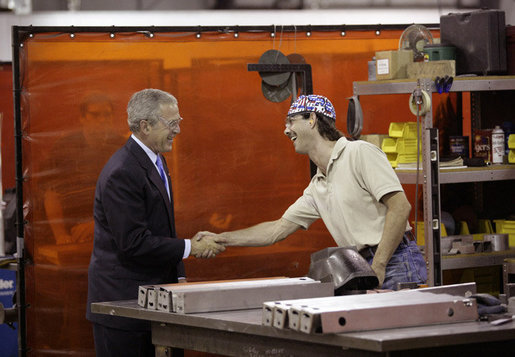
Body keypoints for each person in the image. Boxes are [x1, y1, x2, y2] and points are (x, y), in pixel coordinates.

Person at [204, 94, 427, 290]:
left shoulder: (358, 152)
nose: (286, 130)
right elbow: (276, 230)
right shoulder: (317, 186)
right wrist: (222, 239)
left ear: (312, 119)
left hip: (394, 262)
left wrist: (379, 264)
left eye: (291, 121)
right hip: (360, 266)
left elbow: (400, 207)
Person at [86, 89, 225, 357]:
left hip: (154, 303)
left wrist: (179, 275)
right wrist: (189, 248)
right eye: (171, 124)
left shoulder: (155, 161)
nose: (178, 130)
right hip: (124, 309)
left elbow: (163, 229)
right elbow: (133, 243)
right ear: (144, 126)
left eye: (178, 121)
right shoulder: (123, 172)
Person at [42, 92, 126, 246]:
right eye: (95, 115)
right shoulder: (64, 147)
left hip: (112, 231)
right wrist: (61, 236)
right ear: (82, 118)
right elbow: (51, 194)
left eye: (107, 115)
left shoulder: (123, 148)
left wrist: (99, 224)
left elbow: (130, 197)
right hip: (72, 233)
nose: (102, 120)